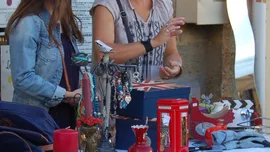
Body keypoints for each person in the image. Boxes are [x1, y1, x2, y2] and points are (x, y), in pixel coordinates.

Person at [6, 0, 83, 129]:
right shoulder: (28, 23)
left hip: (68, 116)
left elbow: (69, 69)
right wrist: (67, 95)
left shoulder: (66, 22)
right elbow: (23, 78)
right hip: (38, 119)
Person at [91, 0, 184, 81]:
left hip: (153, 94)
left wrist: (175, 66)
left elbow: (171, 52)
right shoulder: (108, 4)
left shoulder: (163, 4)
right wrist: (151, 43)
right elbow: (102, 53)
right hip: (115, 96)